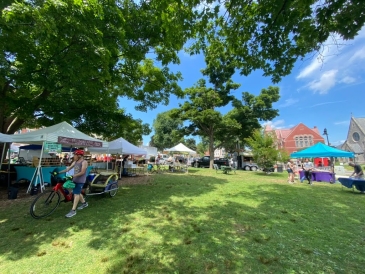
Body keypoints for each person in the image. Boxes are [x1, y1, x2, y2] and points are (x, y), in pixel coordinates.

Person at [57, 149, 88, 218]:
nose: (74, 156)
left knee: (76, 194)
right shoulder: (75, 162)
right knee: (78, 192)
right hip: (75, 179)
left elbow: (82, 172)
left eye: (75, 155)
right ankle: (84, 203)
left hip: (81, 180)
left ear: (79, 156)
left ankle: (73, 210)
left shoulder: (84, 162)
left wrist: (72, 176)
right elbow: (68, 169)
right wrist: (58, 172)